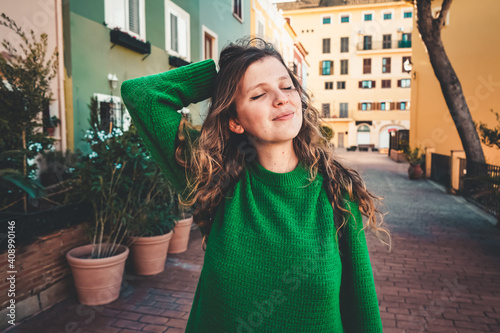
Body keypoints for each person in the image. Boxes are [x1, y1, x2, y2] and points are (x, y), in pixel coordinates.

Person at [121, 38, 391, 333]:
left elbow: (361, 305)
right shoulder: (215, 178)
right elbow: (142, 95)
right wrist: (219, 75)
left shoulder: (336, 191)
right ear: (235, 121)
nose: (281, 98)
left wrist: (244, 80)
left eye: (287, 86)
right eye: (259, 94)